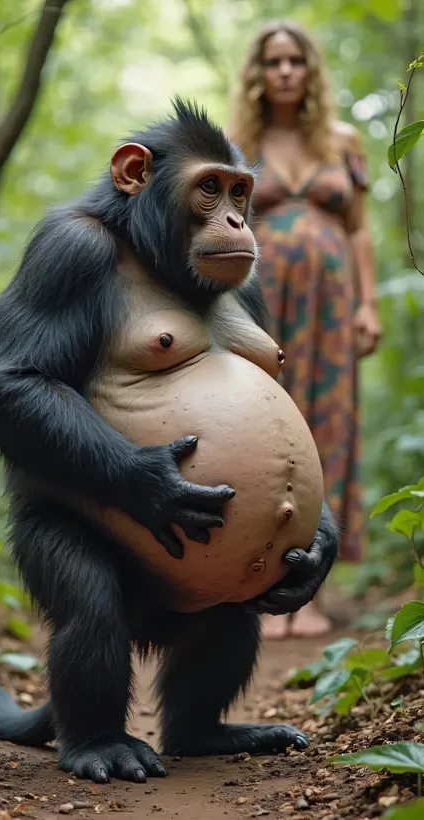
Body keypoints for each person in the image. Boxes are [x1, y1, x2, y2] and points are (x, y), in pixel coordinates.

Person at [227, 19, 382, 638]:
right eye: (274, 61)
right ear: (259, 74)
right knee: (260, 429)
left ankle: (312, 594)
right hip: (258, 303)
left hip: (332, 308)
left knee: (329, 431)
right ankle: (259, 582)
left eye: (295, 60)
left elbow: (360, 228)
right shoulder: (237, 140)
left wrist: (369, 304)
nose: (286, 71)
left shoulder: (341, 139)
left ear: (310, 70)